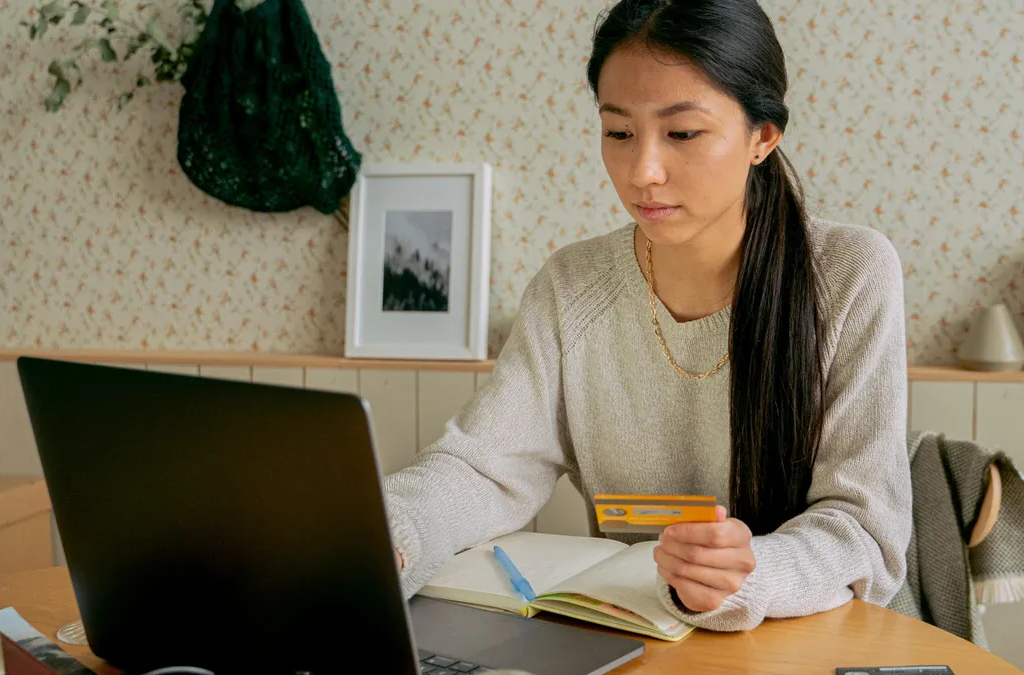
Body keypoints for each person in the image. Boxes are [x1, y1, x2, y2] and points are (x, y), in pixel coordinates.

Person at [381, 0, 911, 633]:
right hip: (636, 641)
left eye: (682, 133)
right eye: (619, 132)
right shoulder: (572, 285)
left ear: (762, 136)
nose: (643, 171)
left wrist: (747, 573)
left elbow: (861, 528)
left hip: (809, 641)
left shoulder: (849, 273)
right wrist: (390, 534)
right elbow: (485, 468)